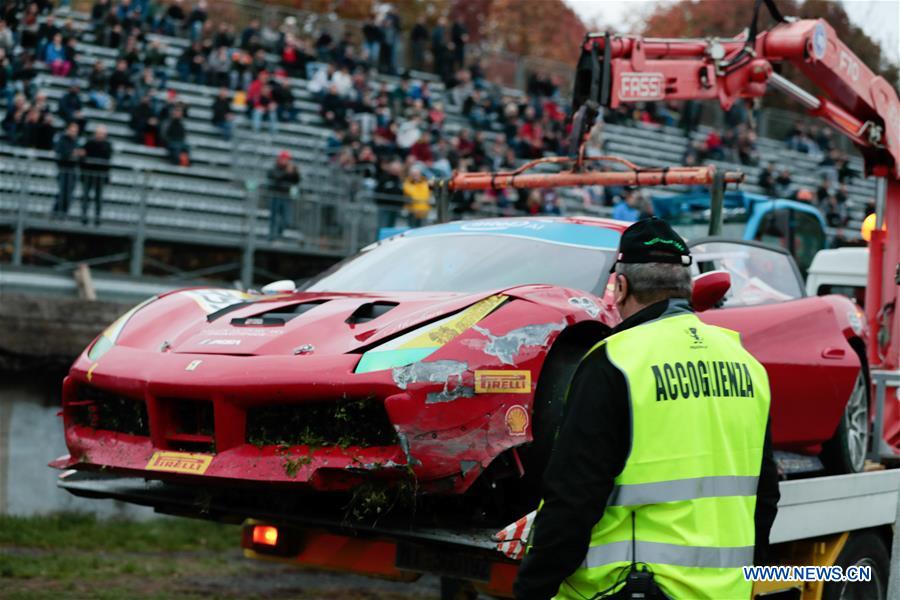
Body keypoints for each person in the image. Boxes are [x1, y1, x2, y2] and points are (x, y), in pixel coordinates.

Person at [514, 218, 779, 599]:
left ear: (620, 287)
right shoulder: (745, 362)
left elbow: (574, 497)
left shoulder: (615, 361)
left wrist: (533, 588)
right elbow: (765, 494)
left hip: (632, 588)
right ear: (688, 288)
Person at [80, 125, 113, 225]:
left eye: (102, 133)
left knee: (98, 198)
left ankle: (97, 218)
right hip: (88, 174)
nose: (100, 135)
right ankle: (84, 217)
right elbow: (83, 157)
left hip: (100, 176)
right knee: (86, 197)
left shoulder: (107, 145)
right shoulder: (89, 143)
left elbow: (106, 158)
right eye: (99, 133)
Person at [267, 150, 300, 240]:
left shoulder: (291, 170)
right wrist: (286, 172)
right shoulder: (274, 168)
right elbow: (276, 177)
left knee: (287, 220)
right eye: (284, 159)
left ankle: (278, 233)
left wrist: (295, 172)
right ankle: (271, 237)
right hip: (275, 196)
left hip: (287, 197)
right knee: (274, 218)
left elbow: (297, 180)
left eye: (287, 159)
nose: (285, 161)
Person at [53, 122, 83, 217]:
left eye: (76, 131)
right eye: (72, 130)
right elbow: (59, 153)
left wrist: (81, 155)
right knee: (62, 193)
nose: (74, 132)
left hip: (72, 171)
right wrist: (71, 153)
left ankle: (63, 214)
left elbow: (79, 157)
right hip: (63, 170)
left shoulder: (77, 142)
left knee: (69, 195)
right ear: (68, 130)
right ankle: (56, 212)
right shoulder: (62, 140)